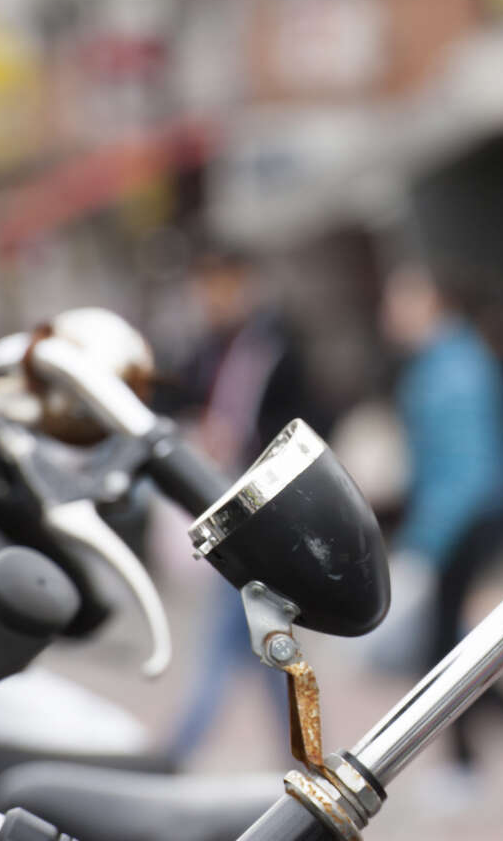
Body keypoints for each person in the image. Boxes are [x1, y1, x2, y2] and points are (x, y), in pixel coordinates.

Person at [380, 260, 503, 815]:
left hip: (469, 524)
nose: (390, 312)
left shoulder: (453, 369)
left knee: (451, 651)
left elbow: (462, 472)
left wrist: (422, 550)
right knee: (454, 650)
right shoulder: (440, 362)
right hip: (465, 521)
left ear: (434, 303)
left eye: (403, 298)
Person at [166, 247, 318, 761]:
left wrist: (242, 439)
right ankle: (304, 756)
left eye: (221, 285)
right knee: (268, 649)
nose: (212, 298)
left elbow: (303, 431)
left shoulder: (276, 349)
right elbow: (174, 397)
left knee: (236, 644)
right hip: (229, 516)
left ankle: (176, 753)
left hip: (262, 520)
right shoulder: (208, 350)